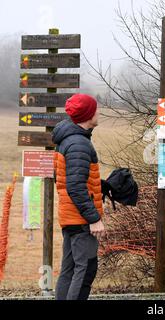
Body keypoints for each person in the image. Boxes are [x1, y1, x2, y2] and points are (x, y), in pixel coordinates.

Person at [52, 93, 105, 300]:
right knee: (85, 271)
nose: (99, 112)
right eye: (96, 109)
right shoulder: (79, 144)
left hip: (70, 216)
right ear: (88, 114)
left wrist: (103, 185)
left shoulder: (69, 140)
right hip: (81, 220)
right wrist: (94, 218)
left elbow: (70, 179)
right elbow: (75, 186)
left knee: (70, 269)